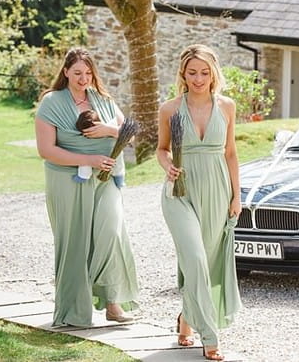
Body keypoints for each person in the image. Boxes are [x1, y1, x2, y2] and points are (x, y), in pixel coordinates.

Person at [35, 47, 138, 327]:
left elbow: (129, 132)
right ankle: (74, 310)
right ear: (66, 71)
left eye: (88, 73)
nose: (83, 78)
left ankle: (112, 301)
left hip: (106, 179)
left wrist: (108, 130)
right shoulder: (51, 102)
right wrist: (88, 158)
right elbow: (46, 150)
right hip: (67, 180)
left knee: (111, 232)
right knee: (75, 242)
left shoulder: (103, 99)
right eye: (78, 72)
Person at [157, 44, 242, 361]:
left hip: (217, 193)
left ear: (213, 73)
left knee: (204, 265)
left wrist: (237, 195)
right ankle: (210, 336)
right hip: (179, 193)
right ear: (183, 73)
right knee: (193, 258)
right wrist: (168, 166)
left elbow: (231, 153)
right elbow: (161, 149)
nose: (198, 78)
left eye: (205, 72)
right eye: (192, 72)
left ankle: (185, 319)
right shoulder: (169, 109)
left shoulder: (227, 107)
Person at [73, 109, 125, 188]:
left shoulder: (106, 126)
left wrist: (108, 130)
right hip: (104, 153)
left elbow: (125, 130)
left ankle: (83, 176)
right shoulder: (109, 124)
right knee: (117, 162)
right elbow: (114, 122)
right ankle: (119, 178)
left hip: (105, 152)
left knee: (84, 162)